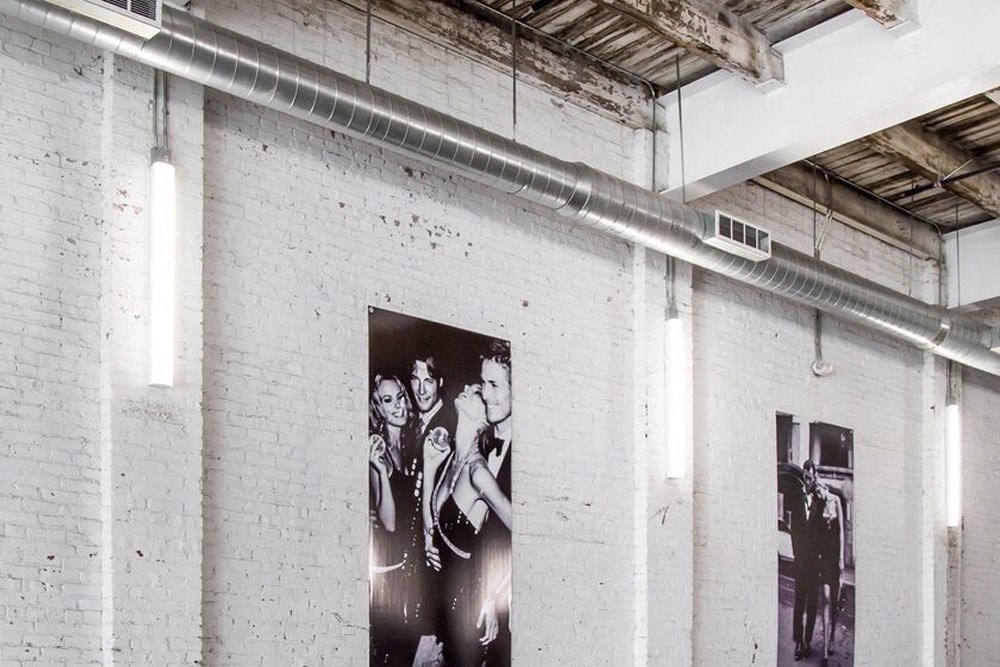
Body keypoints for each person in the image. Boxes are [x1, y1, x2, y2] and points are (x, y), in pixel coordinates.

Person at [422, 350, 513, 666]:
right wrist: (429, 464)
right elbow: (431, 527)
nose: (472, 391)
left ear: (482, 418)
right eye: (478, 387)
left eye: (479, 390)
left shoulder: (478, 472)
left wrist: (496, 591)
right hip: (443, 602)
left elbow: (523, 529)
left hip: (467, 606)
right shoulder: (451, 460)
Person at [369, 373, 425, 667]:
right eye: (388, 401)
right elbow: (389, 523)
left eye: (400, 397)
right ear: (378, 407)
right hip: (388, 569)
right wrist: (380, 470)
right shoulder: (376, 451)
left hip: (409, 565)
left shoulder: (408, 442)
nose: (398, 406)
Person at [813, 473, 845, 667]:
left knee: (834, 602)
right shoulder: (818, 506)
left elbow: (841, 531)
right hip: (824, 558)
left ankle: (832, 636)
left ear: (823, 488)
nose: (818, 495)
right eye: (815, 493)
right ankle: (825, 648)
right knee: (825, 599)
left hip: (835, 558)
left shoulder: (836, 501)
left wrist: (841, 558)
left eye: (819, 491)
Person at [791, 460, 821, 661]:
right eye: (805, 477)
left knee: (812, 605)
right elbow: (794, 531)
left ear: (815, 477)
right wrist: (797, 556)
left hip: (815, 564)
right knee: (799, 603)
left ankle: (808, 641)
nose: (807, 480)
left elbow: (823, 534)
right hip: (801, 562)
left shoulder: (819, 501)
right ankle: (798, 642)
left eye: (810, 477)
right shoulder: (797, 497)